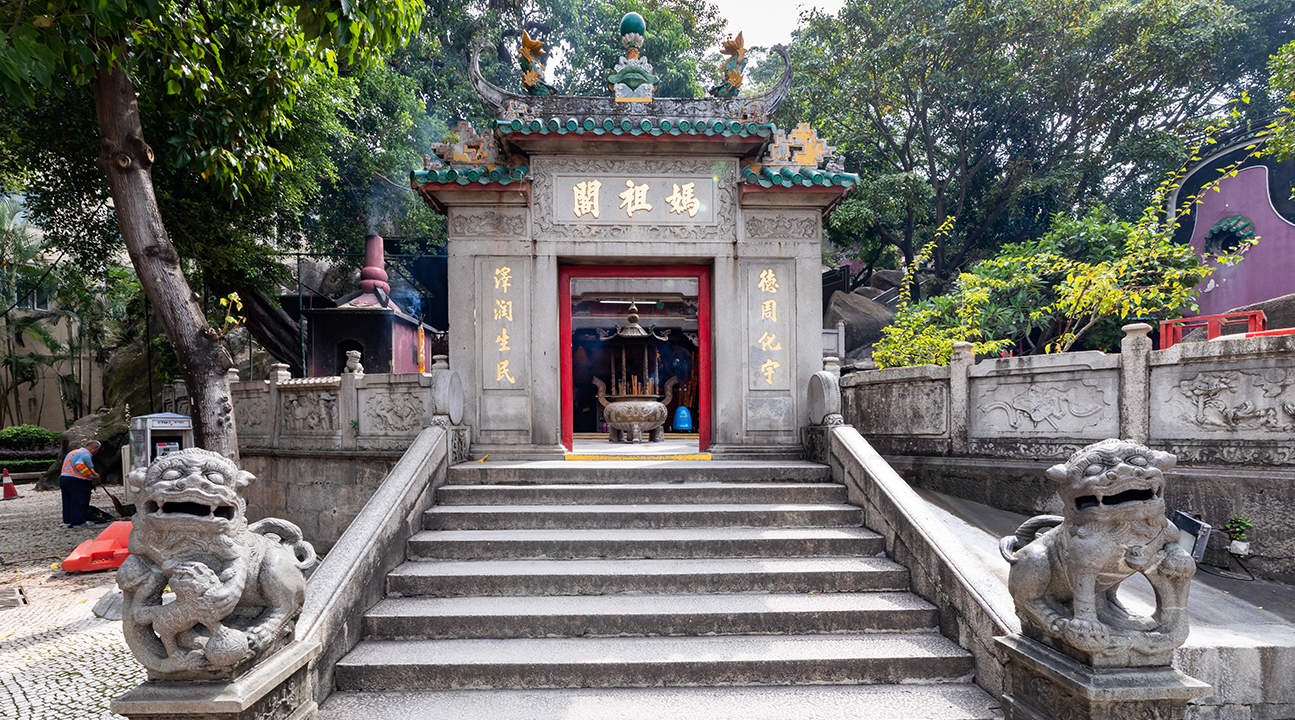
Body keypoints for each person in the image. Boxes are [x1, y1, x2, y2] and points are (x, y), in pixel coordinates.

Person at [59, 439, 104, 528]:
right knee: (80, 501)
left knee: (68, 500)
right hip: (77, 481)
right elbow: (80, 466)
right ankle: (78, 522)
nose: (96, 452)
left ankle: (68, 521)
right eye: (97, 450)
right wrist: (93, 476)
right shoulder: (86, 455)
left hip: (64, 478)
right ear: (94, 448)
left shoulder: (73, 452)